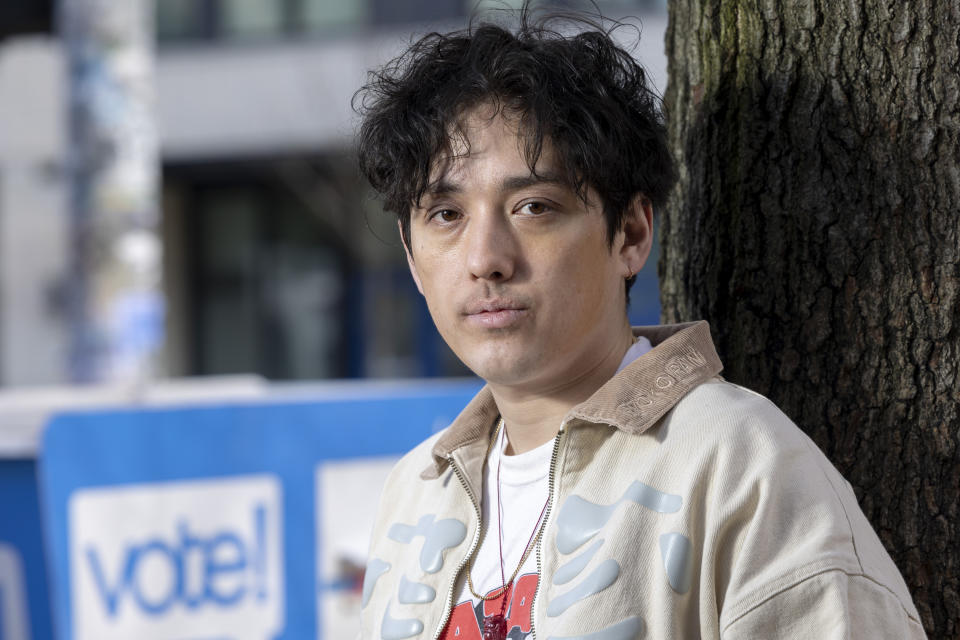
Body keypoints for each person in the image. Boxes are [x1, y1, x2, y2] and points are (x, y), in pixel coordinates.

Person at [352, 10, 925, 640]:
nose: (486, 258)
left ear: (630, 233)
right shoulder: (416, 493)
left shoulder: (738, 464)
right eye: (445, 214)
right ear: (411, 257)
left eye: (534, 207)